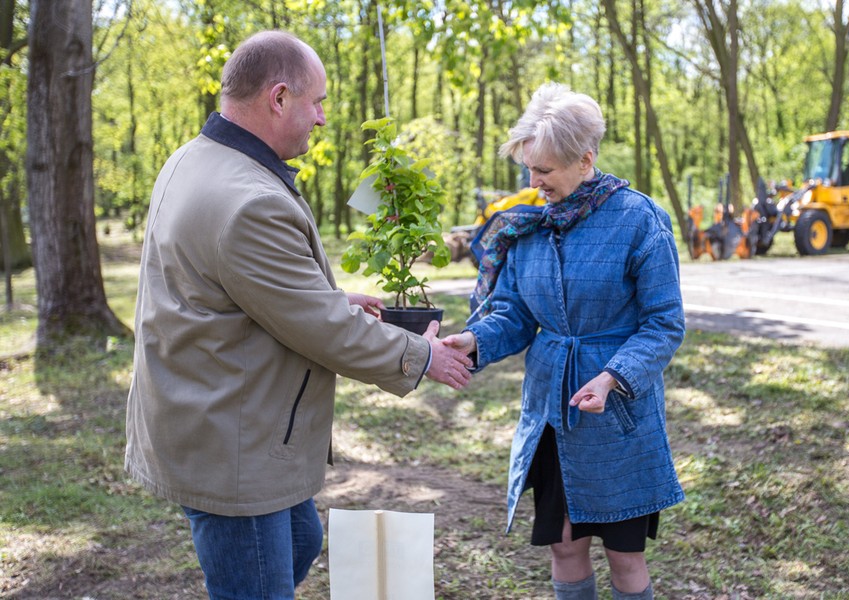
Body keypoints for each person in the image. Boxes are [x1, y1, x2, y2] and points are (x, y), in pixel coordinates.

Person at [124, 30, 472, 600]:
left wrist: (330, 300)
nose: (324, 118)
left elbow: (244, 290)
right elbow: (321, 328)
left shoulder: (196, 158)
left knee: (301, 540)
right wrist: (423, 356)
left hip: (214, 415)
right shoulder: (249, 200)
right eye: (318, 101)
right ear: (279, 98)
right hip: (230, 442)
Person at [444, 82, 685, 600]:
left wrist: (614, 376)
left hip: (618, 417)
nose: (534, 182)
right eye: (529, 169)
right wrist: (473, 340)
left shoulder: (641, 221)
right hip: (552, 411)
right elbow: (512, 312)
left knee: (624, 555)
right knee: (565, 545)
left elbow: (664, 322)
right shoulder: (528, 226)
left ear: (585, 160)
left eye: (545, 171)